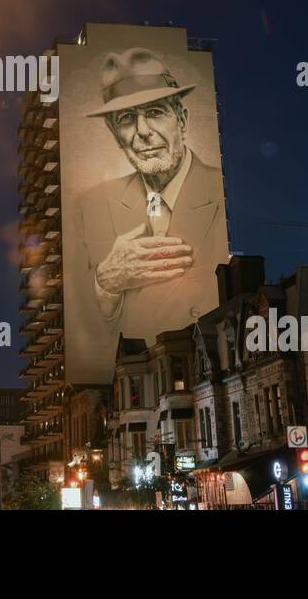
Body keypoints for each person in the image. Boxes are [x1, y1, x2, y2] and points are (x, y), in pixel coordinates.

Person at [68, 47, 225, 378]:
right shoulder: (90, 205)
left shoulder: (218, 188)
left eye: (154, 112)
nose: (142, 131)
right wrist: (105, 283)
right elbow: (86, 331)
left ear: (180, 119)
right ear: (114, 133)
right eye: (126, 118)